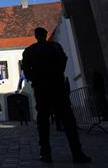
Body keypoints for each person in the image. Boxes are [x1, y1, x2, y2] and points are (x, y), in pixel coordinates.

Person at [22, 27, 91, 164]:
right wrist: (56, 73)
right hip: (55, 85)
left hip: (44, 87)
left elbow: (25, 68)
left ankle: (47, 153)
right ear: (42, 35)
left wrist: (34, 78)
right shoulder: (54, 47)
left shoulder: (31, 50)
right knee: (64, 120)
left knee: (47, 121)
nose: (41, 36)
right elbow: (63, 61)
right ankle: (75, 152)